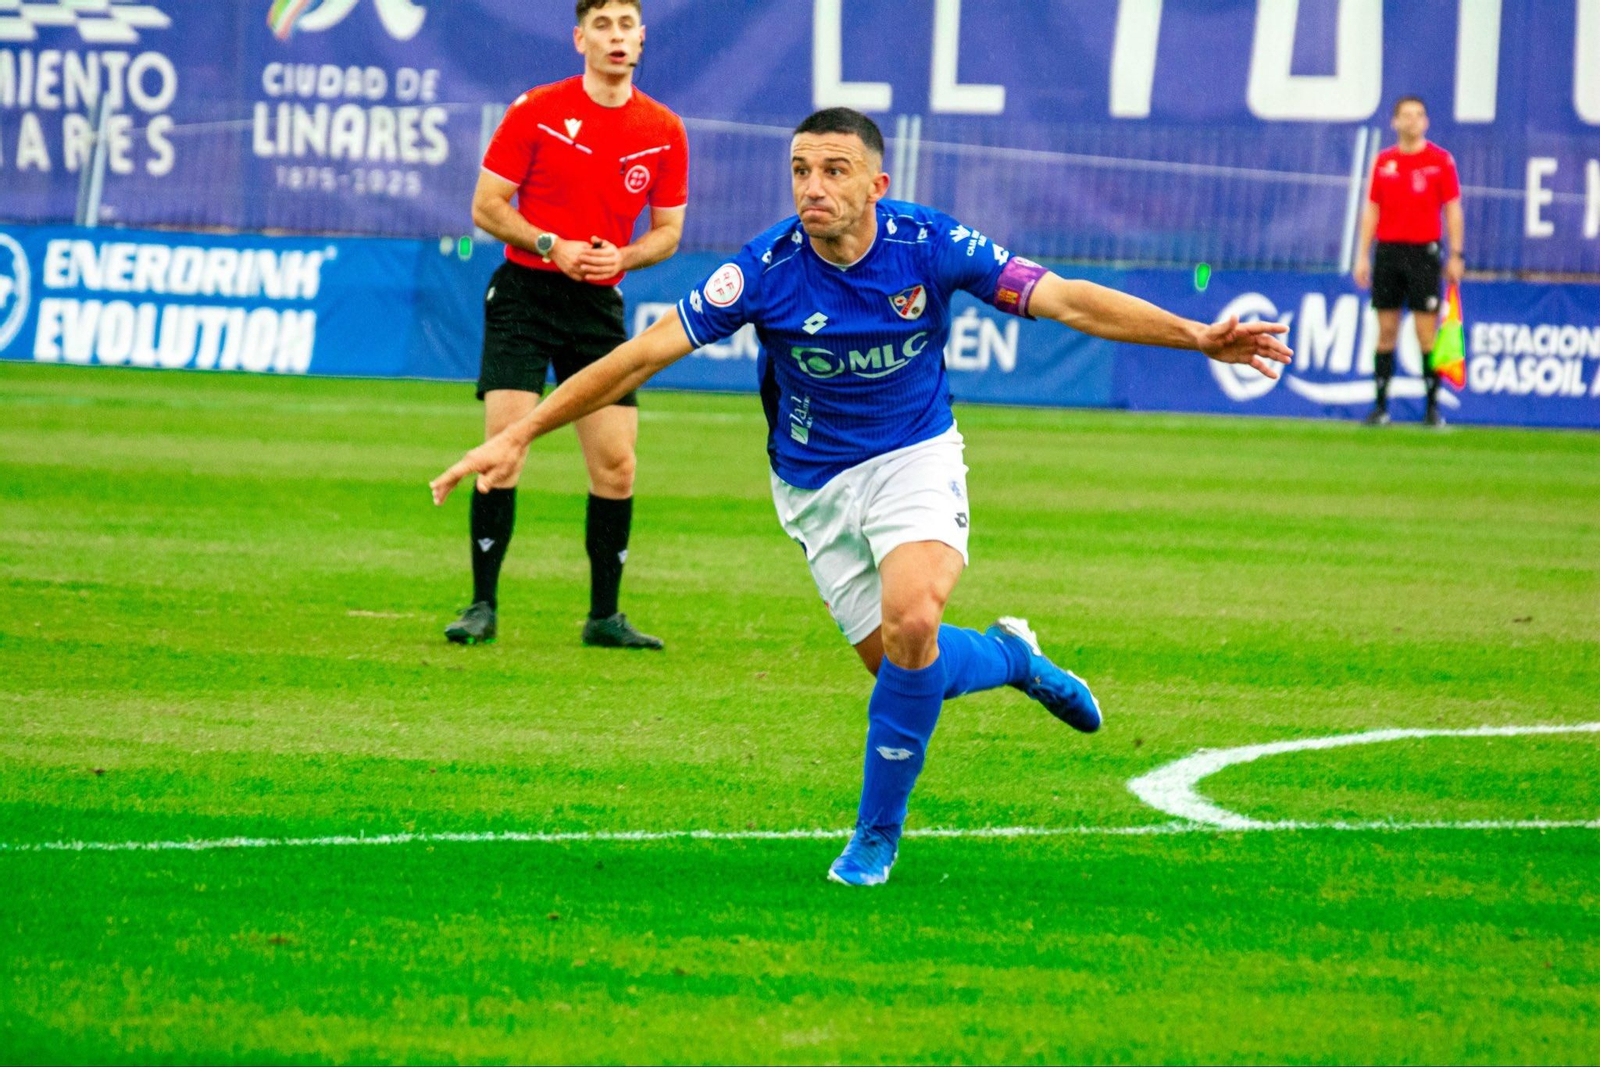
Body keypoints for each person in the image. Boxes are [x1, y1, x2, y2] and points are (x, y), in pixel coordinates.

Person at [431, 108, 1292, 886]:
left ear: (878, 183)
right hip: (812, 486)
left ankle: (874, 838)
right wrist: (520, 432)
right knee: (901, 665)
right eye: (802, 169)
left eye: (835, 170)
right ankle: (1014, 658)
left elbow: (1063, 298)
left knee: (915, 617)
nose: (814, 187)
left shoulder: (930, 243)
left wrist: (1195, 336)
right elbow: (643, 354)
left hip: (915, 455)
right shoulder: (764, 269)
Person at [445, 0, 687, 649]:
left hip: (598, 305)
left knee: (617, 464)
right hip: (525, 292)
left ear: (642, 40)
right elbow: (486, 206)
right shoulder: (537, 110)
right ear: (579, 38)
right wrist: (551, 243)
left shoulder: (664, 128)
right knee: (504, 448)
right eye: (602, 26)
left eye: (626, 26)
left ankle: (604, 616)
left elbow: (668, 233)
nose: (616, 37)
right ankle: (481, 604)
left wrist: (625, 255)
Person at [1352, 95, 1464, 428]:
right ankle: (1380, 407)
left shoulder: (1440, 161)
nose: (1412, 121)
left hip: (1423, 253)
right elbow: (1372, 210)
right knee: (1386, 331)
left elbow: (1453, 209)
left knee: (1425, 334)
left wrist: (1456, 253)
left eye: (1418, 115)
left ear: (1426, 122)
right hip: (1388, 251)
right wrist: (1362, 255)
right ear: (1395, 122)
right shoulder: (1384, 162)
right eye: (1406, 115)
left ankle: (1432, 409)